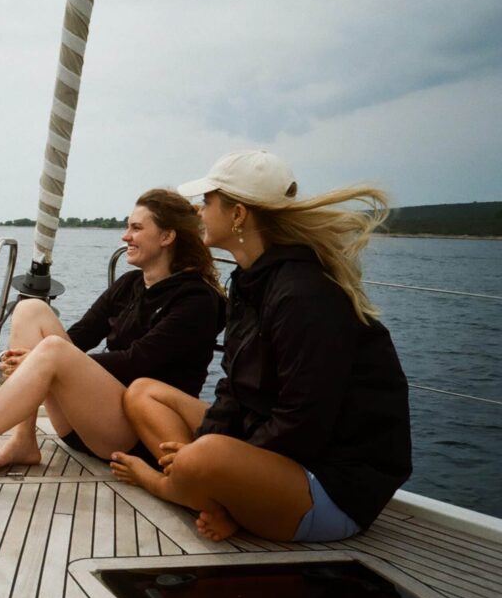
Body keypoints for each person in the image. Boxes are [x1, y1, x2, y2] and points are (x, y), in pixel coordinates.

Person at [110, 150, 412, 543]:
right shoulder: (250, 282)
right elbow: (235, 388)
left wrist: (216, 460)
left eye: (208, 202)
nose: (199, 212)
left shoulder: (304, 294)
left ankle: (167, 485)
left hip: (330, 484)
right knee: (143, 392)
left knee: (206, 455)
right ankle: (207, 494)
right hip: (278, 451)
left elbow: (304, 424)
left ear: (238, 214)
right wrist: (209, 451)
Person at [0, 189, 225, 474]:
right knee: (30, 309)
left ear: (167, 236)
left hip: (138, 436)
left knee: (53, 350)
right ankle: (23, 440)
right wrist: (37, 360)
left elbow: (138, 362)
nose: (125, 235)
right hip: (90, 426)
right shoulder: (130, 284)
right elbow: (81, 336)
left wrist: (43, 359)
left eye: (136, 228)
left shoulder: (197, 300)